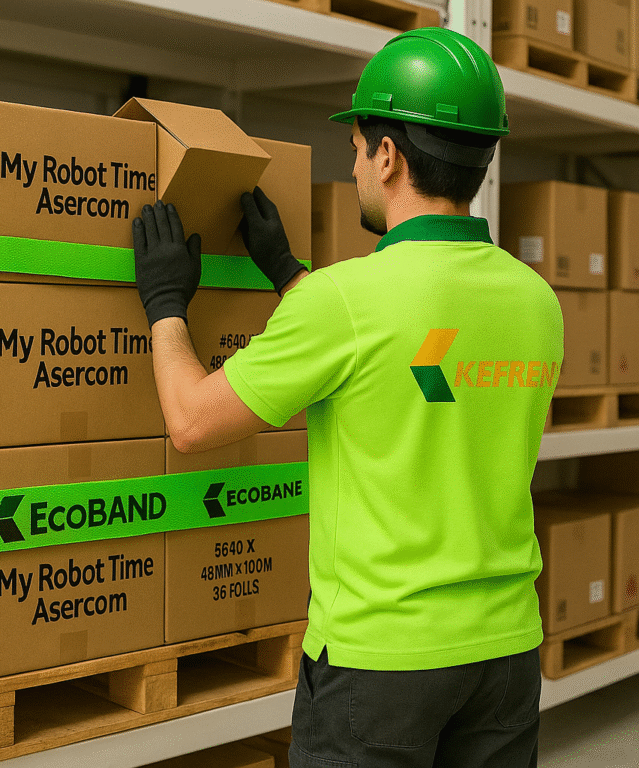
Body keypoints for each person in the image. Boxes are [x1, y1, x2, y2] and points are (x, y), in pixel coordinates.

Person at [132, 26, 563, 768]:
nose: (354, 162)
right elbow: (405, 357)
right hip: (506, 655)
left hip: (382, 663)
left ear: (388, 155)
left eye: (358, 145)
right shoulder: (535, 300)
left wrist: (167, 304)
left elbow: (192, 423)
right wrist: (287, 272)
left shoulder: (344, 302)